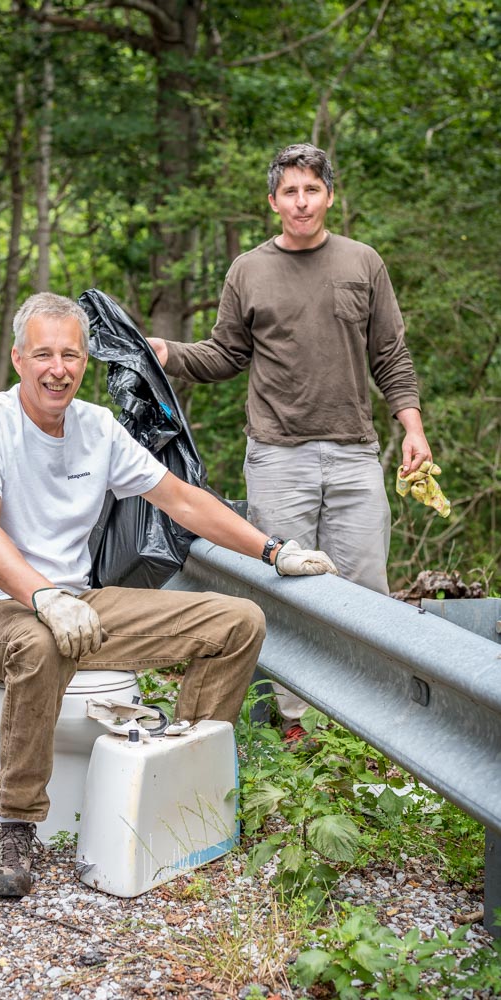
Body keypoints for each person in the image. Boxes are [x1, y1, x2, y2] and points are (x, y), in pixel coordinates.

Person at [0, 291, 338, 898]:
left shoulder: (97, 427)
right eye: (43, 354)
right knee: (40, 645)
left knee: (238, 622)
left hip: (81, 603)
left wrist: (273, 550)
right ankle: (16, 824)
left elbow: (181, 499)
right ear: (18, 359)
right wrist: (45, 598)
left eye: (71, 354)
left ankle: (179, 784)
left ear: (84, 361)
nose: (58, 368)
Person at [147, 142, 432, 745]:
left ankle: (365, 732)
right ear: (273, 201)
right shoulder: (248, 271)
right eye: (290, 192)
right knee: (290, 591)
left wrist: (412, 427)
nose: (302, 202)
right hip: (277, 456)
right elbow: (227, 354)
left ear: (329, 195)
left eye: (313, 190)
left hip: (356, 452)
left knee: (366, 593)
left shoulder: (363, 263)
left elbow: (390, 355)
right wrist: (170, 353)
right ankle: (297, 726)